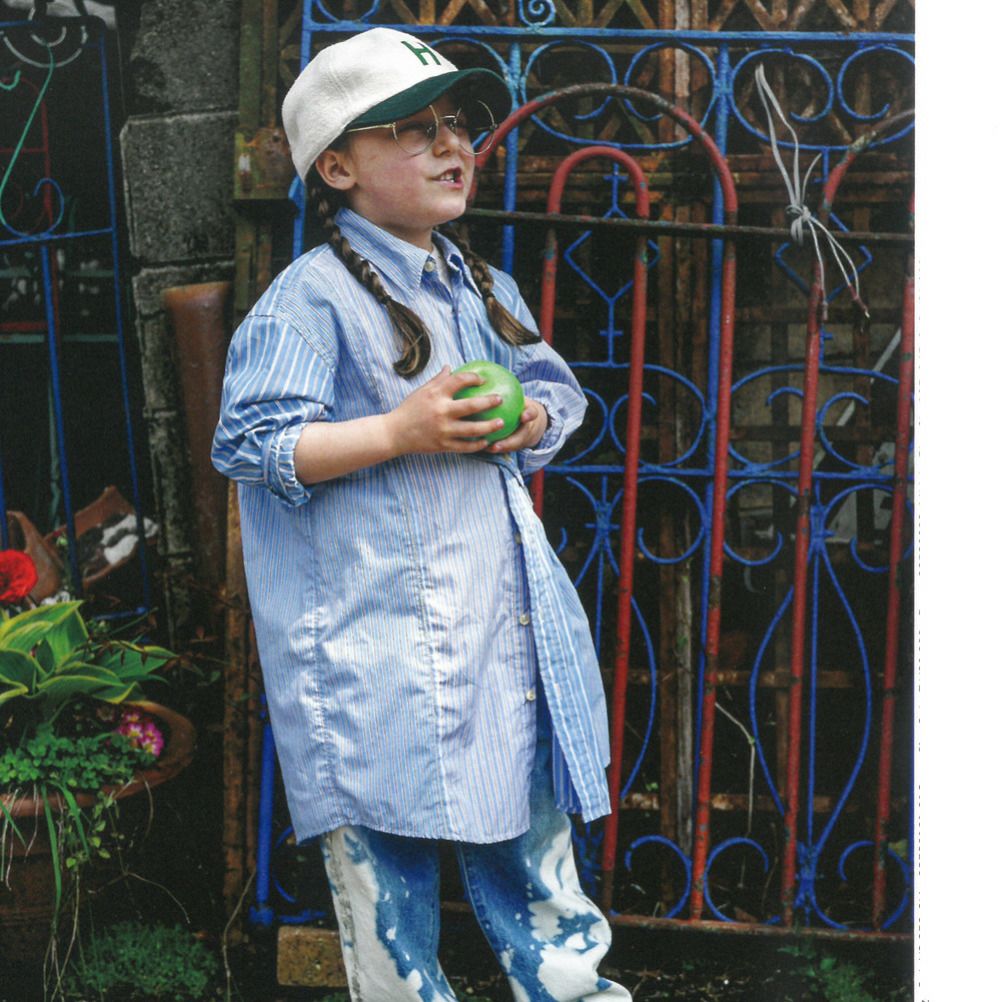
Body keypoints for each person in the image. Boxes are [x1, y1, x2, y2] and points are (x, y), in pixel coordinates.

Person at [212, 27, 631, 1002]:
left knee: (536, 862)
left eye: (456, 124)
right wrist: (400, 430)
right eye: (412, 129)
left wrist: (528, 417)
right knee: (386, 886)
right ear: (338, 168)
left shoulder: (483, 286)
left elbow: (553, 394)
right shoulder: (308, 302)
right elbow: (252, 444)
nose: (451, 146)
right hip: (375, 654)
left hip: (496, 637)